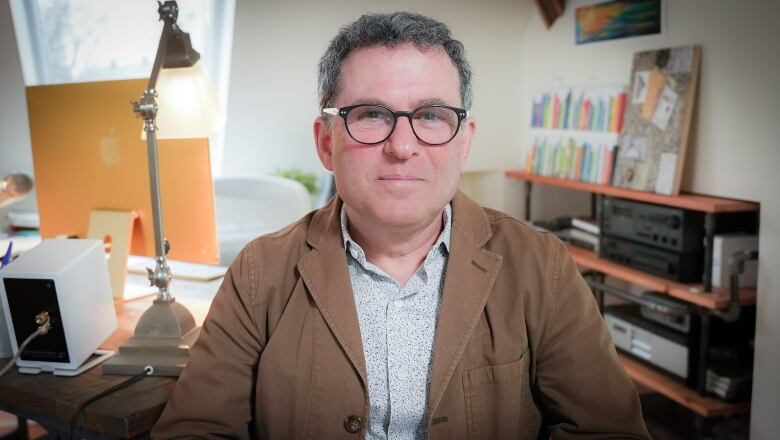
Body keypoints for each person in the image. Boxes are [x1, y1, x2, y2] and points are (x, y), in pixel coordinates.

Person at [152, 12, 651, 440]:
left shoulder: (544, 268)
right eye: (372, 114)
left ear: (464, 142)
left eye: (431, 116)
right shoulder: (259, 272)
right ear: (326, 143)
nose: (403, 146)